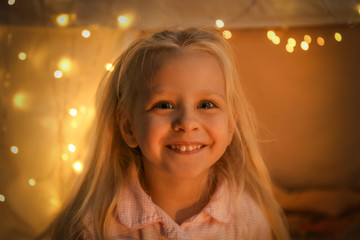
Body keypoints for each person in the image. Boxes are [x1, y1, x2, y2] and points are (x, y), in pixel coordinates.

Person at [44, 28, 289, 239]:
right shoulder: (93, 227)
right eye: (164, 105)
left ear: (229, 126)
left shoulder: (250, 221)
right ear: (128, 127)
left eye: (206, 105)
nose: (186, 123)